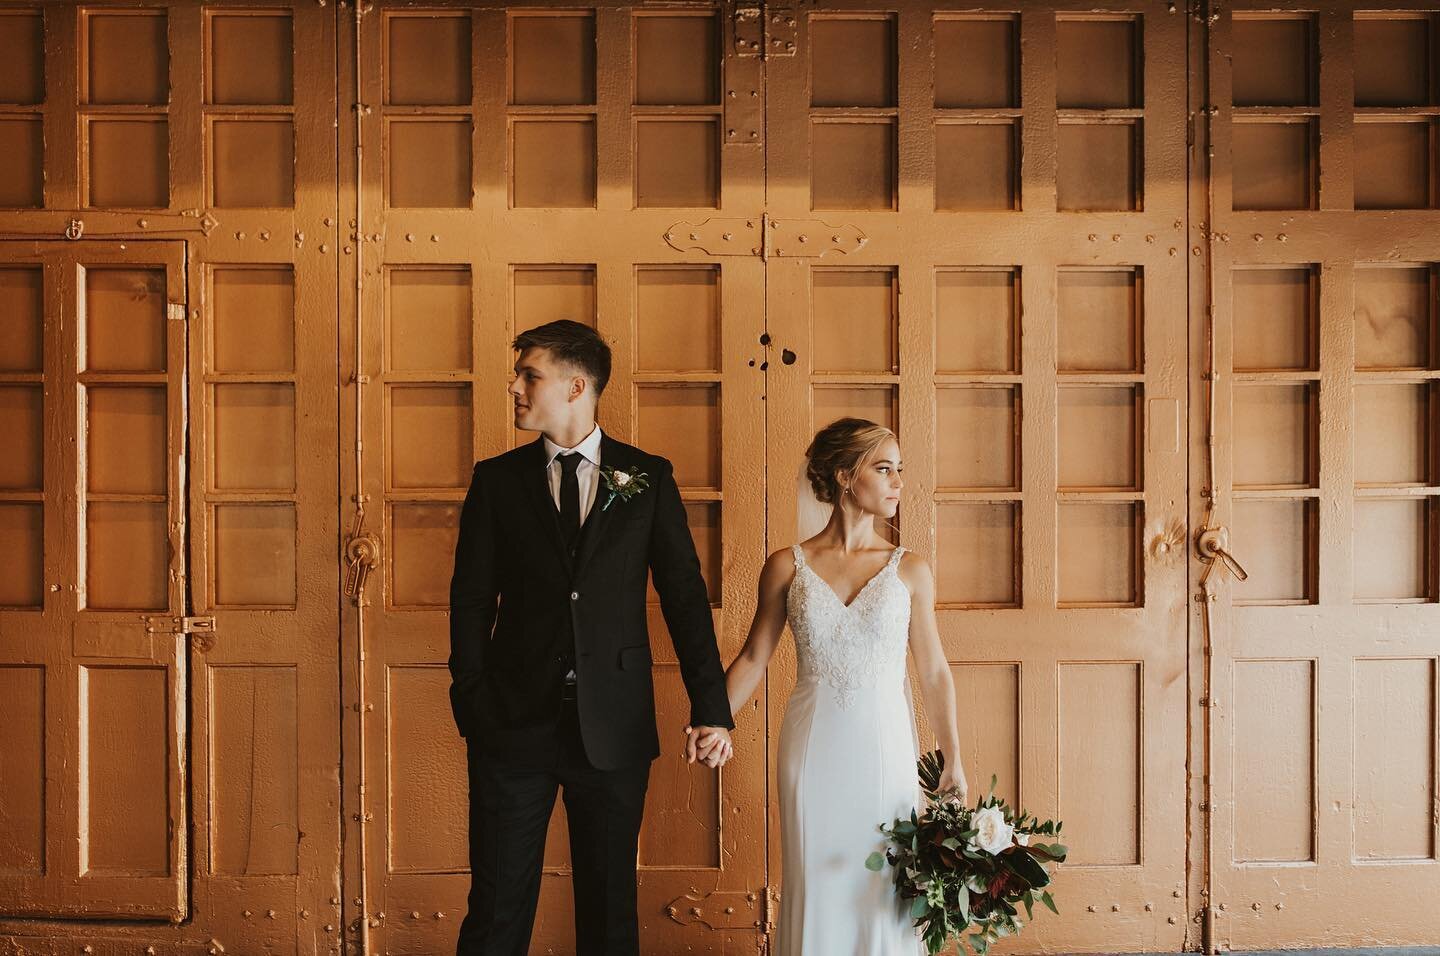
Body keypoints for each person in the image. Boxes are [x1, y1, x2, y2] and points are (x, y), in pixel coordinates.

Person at [448, 319, 734, 955]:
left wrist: (711, 708)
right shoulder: (497, 481)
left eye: (531, 375)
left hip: (614, 725)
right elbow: (470, 599)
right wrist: (470, 697)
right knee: (495, 908)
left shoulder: (647, 478)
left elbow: (684, 600)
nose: (516, 387)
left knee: (610, 914)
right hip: (511, 723)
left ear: (577, 386)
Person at [704, 417, 968, 955]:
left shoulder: (910, 570)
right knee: (815, 878)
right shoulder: (787, 566)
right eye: (885, 469)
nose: (898, 482)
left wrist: (953, 759)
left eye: (900, 470)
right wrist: (714, 717)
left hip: (885, 749)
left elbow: (934, 670)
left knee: (883, 886)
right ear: (846, 476)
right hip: (812, 746)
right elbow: (755, 656)